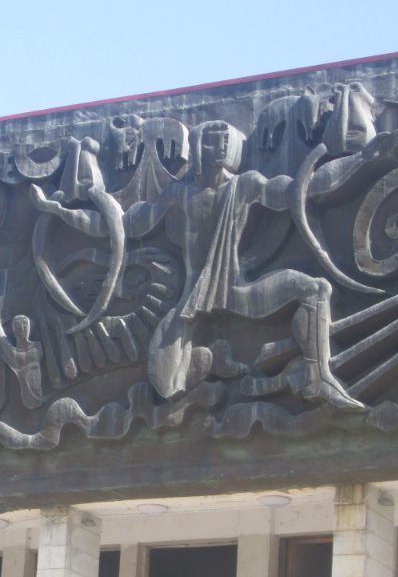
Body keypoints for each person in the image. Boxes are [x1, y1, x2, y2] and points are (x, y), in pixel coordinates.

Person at [125, 120, 364, 411]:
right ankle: (208, 375)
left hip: (236, 290)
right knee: (166, 385)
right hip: (192, 300)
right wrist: (85, 209)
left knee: (314, 289)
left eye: (226, 139)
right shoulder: (177, 194)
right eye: (213, 140)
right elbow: (134, 225)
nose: (222, 146)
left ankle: (318, 377)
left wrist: (363, 157)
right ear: (198, 147)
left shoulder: (245, 184)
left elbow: (298, 189)